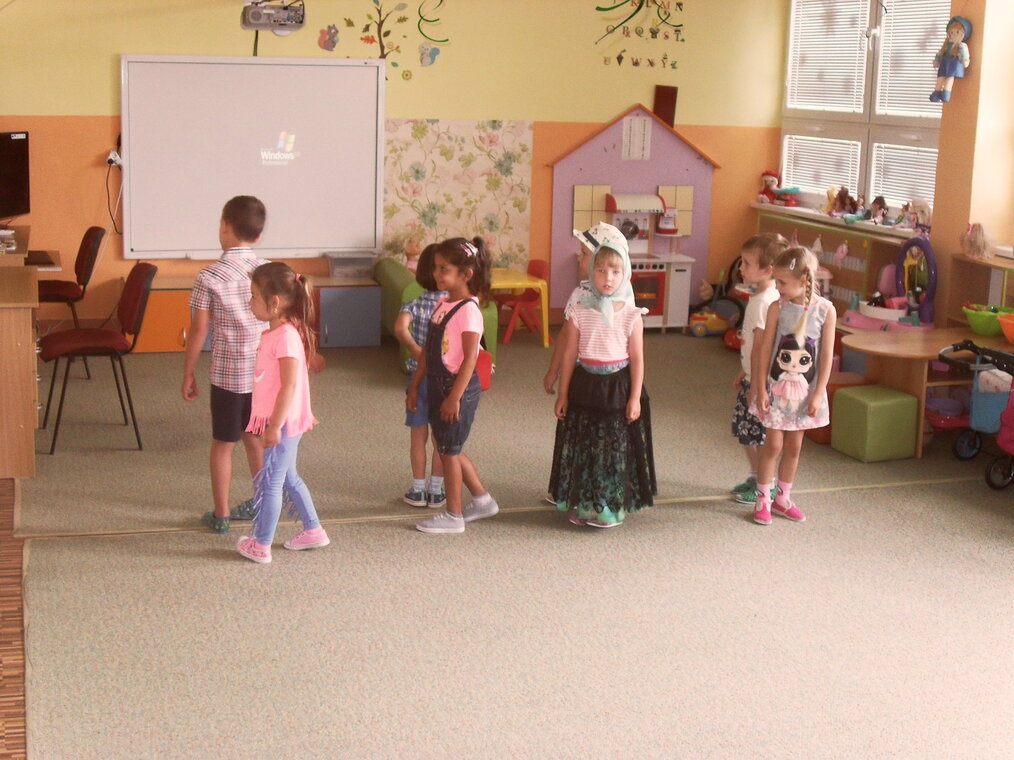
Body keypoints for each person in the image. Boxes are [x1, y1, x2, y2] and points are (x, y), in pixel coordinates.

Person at [548, 231, 656, 528]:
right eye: (601, 270)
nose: (608, 278)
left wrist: (634, 398)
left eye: (615, 271)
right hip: (586, 385)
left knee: (612, 449)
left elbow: (637, 359)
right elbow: (569, 355)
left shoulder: (632, 315)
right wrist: (563, 393)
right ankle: (588, 505)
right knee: (588, 447)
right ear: (591, 271)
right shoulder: (579, 312)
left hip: (617, 387)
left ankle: (609, 507)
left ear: (625, 274)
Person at [182, 195, 269, 534]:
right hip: (262, 375)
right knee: (255, 438)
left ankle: (221, 515)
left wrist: (189, 372)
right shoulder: (268, 272)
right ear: (258, 235)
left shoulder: (209, 276)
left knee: (223, 443)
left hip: (227, 378)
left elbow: (199, 330)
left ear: (224, 226)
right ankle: (262, 504)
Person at [235, 262, 328, 563]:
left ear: (274, 303)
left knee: (270, 482)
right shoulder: (277, 332)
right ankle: (313, 529)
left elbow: (289, 385)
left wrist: (274, 426)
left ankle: (261, 545)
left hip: (284, 421)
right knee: (288, 477)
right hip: (282, 419)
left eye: (254, 297)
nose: (250, 302)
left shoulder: (286, 336)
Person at [408, 237, 497, 535]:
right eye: (436, 267)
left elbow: (471, 358)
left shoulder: (469, 311)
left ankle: (454, 515)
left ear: (466, 274)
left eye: (444, 269)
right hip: (437, 386)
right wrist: (415, 386)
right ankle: (482, 500)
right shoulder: (443, 304)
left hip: (456, 389)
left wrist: (454, 398)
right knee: (449, 448)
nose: (436, 274)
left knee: (448, 450)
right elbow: (427, 350)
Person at [750, 246, 836, 526]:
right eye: (776, 281)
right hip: (776, 390)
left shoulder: (826, 311)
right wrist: (760, 387)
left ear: (803, 280)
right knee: (773, 444)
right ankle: (763, 498)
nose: (777, 287)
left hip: (805, 393)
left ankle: (783, 498)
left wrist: (819, 392)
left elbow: (826, 355)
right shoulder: (777, 307)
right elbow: (765, 349)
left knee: (794, 447)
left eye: (782, 282)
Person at [730, 233, 787, 506]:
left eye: (747, 263)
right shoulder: (760, 296)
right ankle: (756, 476)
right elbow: (751, 344)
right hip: (752, 378)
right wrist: (745, 371)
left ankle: (767, 483)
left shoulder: (767, 301)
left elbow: (762, 348)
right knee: (745, 432)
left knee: (758, 435)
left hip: (760, 384)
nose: (741, 268)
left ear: (768, 270)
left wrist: (756, 383)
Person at [393, 243, 448, 509]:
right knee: (440, 438)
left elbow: (400, 328)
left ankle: (417, 489)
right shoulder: (454, 305)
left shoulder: (414, 304)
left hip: (418, 378)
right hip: (445, 379)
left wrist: (416, 351)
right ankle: (436, 490)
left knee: (418, 436)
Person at [930, 16, 971, 103]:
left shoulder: (961, 45)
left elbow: (964, 54)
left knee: (950, 78)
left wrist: (965, 60)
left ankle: (946, 92)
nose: (954, 34)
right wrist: (937, 60)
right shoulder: (946, 45)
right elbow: (940, 53)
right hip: (945, 62)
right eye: (951, 32)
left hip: (954, 63)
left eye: (957, 32)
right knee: (940, 77)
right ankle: (937, 92)